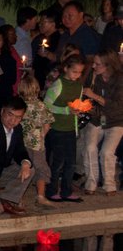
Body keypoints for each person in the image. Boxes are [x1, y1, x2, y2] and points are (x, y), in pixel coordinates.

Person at [43, 54, 86, 202]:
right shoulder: (58, 84)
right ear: (66, 68)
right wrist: (66, 110)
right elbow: (47, 105)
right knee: (58, 162)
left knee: (71, 162)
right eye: (74, 72)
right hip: (57, 128)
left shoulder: (79, 86)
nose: (77, 75)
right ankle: (51, 190)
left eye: (80, 72)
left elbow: (77, 104)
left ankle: (66, 191)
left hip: (69, 128)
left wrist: (78, 113)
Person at [81, 49, 123, 195]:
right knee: (90, 148)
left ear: (108, 65)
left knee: (106, 152)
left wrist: (96, 97)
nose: (94, 66)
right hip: (97, 119)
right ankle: (91, 183)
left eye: (97, 64)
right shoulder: (94, 77)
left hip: (116, 120)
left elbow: (118, 105)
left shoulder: (119, 79)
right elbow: (86, 96)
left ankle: (109, 184)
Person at [17, 75, 55, 207]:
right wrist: (41, 135)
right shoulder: (41, 105)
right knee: (40, 168)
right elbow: (47, 124)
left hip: (21, 144)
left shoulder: (18, 105)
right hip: (37, 144)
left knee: (21, 168)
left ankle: (18, 198)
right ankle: (40, 196)